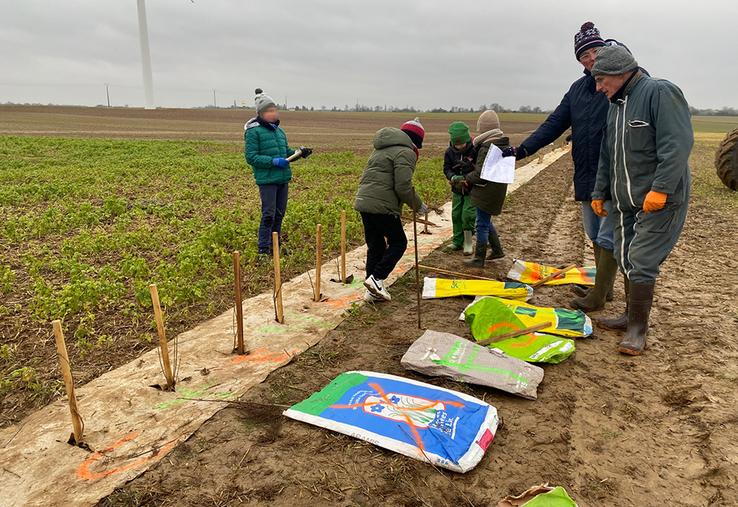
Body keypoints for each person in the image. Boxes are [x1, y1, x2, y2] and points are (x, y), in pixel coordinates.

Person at [507, 22, 618, 312]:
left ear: (605, 49)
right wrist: (523, 150)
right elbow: (555, 123)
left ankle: (600, 295)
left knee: (609, 235)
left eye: (595, 51)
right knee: (594, 234)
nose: (590, 59)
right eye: (584, 55)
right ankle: (604, 288)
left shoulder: (623, 82)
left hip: (615, 173)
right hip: (585, 171)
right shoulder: (578, 89)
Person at [590, 45, 693, 355]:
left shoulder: (659, 92)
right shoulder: (615, 105)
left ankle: (638, 329)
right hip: (626, 202)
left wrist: (661, 188)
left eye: (601, 79)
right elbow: (608, 153)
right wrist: (600, 191)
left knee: (643, 260)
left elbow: (677, 144)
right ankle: (627, 315)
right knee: (625, 256)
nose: (598, 87)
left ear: (621, 73)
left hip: (659, 200)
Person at [354, 118, 428, 302]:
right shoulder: (406, 152)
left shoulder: (380, 148)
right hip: (382, 206)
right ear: (416, 141)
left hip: (364, 201)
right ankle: (377, 279)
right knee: (399, 242)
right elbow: (403, 186)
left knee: (376, 246)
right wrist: (418, 205)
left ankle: (371, 292)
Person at [244, 88, 312, 255]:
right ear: (260, 113)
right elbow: (251, 157)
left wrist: (299, 153)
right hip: (267, 180)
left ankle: (276, 245)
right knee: (269, 214)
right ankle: (263, 249)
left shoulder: (280, 132)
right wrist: (273, 162)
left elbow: (286, 152)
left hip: (283, 178)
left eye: (275, 110)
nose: (274, 113)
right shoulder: (253, 132)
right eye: (269, 111)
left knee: (280, 214)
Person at [463, 110, 510, 267]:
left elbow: (481, 174)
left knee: (481, 224)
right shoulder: (503, 144)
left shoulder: (487, 147)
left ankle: (479, 258)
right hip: (497, 189)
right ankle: (497, 250)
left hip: (486, 190)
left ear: (483, 128)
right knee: (485, 220)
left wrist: (465, 178)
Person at [443, 121, 477, 255]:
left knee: (467, 216)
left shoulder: (475, 150)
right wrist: (452, 177)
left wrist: (468, 177)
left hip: (471, 190)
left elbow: (478, 169)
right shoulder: (449, 152)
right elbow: (446, 168)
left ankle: (468, 242)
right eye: (456, 144)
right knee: (456, 215)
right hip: (456, 189)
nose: (459, 146)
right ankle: (457, 241)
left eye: (461, 144)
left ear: (467, 140)